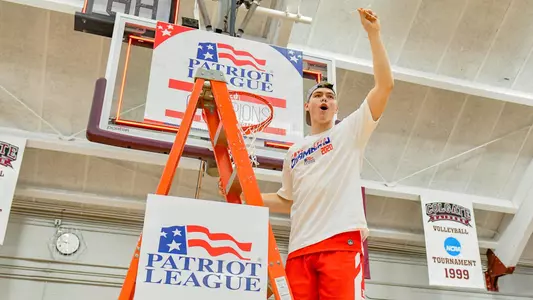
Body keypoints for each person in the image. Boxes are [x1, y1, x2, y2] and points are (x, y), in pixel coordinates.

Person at [260, 8, 394, 300]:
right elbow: (287, 199)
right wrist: (249, 197)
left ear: (336, 109)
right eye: (318, 96)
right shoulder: (293, 152)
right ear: (307, 107)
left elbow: (385, 86)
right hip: (299, 250)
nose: (324, 99)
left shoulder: (350, 131)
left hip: (339, 243)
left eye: (330, 97)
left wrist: (374, 34)